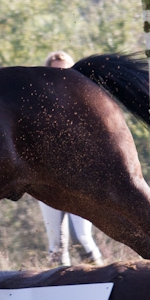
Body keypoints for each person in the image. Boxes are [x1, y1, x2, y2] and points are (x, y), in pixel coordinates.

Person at [38, 51, 105, 267]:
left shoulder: (84, 101)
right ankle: (58, 290)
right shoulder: (39, 104)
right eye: (55, 71)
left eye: (65, 71)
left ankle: (100, 278)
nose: (60, 76)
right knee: (56, 245)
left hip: (80, 181)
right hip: (48, 181)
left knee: (82, 238)